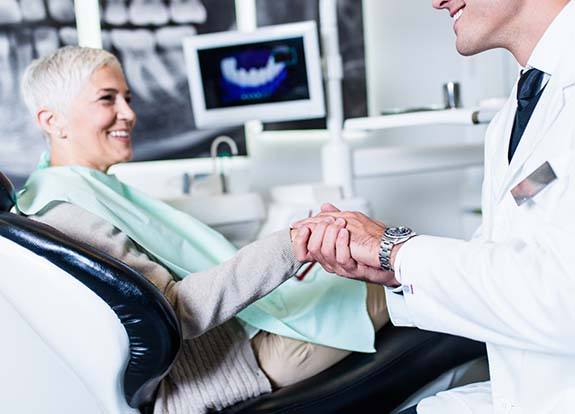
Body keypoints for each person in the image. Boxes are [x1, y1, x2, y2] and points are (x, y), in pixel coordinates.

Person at [16, 46, 388, 413]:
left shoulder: (67, 190)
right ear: (52, 121)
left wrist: (288, 259)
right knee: (403, 278)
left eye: (127, 98)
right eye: (107, 99)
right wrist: (292, 245)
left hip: (239, 336)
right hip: (239, 360)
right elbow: (176, 309)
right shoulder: (66, 210)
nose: (128, 113)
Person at [292, 0, 575, 412]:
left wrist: (397, 250)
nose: (437, 1)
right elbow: (504, 255)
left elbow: (565, 299)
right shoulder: (517, 111)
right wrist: (388, 270)